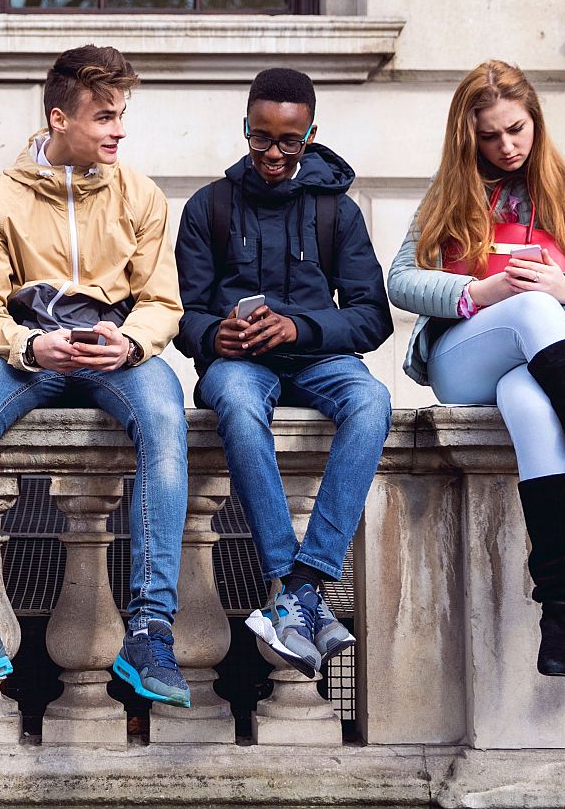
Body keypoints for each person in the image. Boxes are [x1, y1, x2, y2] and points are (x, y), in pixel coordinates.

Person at [0, 46, 191, 707]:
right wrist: (30, 345)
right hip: (26, 356)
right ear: (60, 118)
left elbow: (162, 302)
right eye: (105, 116)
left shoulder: (141, 195)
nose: (119, 130)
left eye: (121, 115)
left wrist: (129, 341)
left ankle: (150, 630)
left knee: (164, 416)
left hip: (115, 354)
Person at [386, 59, 565, 677]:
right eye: (489, 136)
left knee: (534, 409)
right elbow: (400, 280)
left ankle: (563, 612)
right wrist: (480, 293)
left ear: (536, 120)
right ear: (468, 136)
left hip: (538, 364)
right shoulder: (450, 190)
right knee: (533, 310)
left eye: (516, 129)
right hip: (464, 358)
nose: (507, 146)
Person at [173, 68, 392, 678]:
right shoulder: (209, 207)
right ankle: (290, 583)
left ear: (310, 135)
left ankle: (303, 585)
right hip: (240, 364)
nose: (273, 153)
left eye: (289, 141)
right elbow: (180, 312)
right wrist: (211, 334)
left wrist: (300, 328)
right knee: (238, 405)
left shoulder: (337, 211)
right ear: (245, 128)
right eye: (261, 137)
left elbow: (373, 317)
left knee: (372, 400)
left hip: (320, 359)